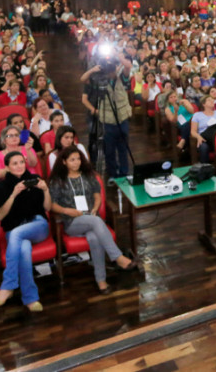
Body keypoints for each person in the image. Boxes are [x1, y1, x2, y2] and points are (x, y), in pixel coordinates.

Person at [49, 146, 137, 294]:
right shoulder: (58, 180)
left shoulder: (88, 175)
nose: (76, 162)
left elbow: (97, 194)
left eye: (78, 159)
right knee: (96, 221)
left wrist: (96, 207)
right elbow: (52, 204)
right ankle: (117, 257)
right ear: (64, 162)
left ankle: (101, 281)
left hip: (91, 217)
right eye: (72, 160)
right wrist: (66, 210)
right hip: (72, 221)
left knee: (95, 237)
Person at [0, 151, 51, 312]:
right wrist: (13, 195)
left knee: (16, 235)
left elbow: (48, 208)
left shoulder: (35, 181)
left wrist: (46, 190)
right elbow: (0, 216)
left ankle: (8, 285)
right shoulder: (1, 187)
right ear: (7, 167)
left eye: (21, 162)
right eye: (14, 163)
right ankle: (30, 298)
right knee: (24, 249)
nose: (19, 166)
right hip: (15, 230)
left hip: (37, 226)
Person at [80, 46, 133, 179]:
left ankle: (124, 173)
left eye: (112, 68)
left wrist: (118, 55)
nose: (110, 72)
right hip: (107, 120)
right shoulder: (98, 80)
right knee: (109, 150)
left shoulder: (122, 77)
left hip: (122, 119)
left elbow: (128, 66)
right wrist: (93, 69)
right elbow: (82, 79)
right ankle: (113, 174)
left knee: (123, 148)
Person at [190, 95, 216, 163]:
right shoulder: (197, 115)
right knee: (204, 147)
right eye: (209, 100)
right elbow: (193, 131)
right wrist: (198, 137)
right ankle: (204, 168)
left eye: (212, 100)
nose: (212, 101)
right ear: (203, 104)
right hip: (204, 138)